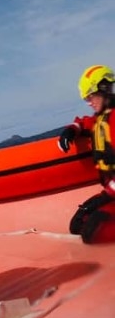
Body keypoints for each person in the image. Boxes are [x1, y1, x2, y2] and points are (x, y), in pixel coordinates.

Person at [57, 64, 115, 243]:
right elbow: (88, 123)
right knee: (78, 224)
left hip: (113, 191)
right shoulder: (103, 117)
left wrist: (105, 196)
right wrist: (72, 129)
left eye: (90, 96)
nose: (89, 102)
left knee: (93, 230)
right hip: (112, 190)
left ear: (103, 89)